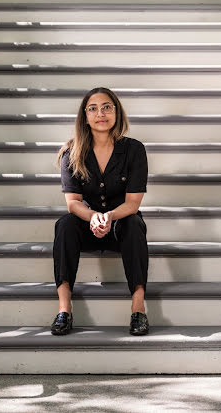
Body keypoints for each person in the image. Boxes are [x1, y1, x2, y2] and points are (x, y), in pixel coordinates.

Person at [51, 87, 149, 336]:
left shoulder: (134, 150)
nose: (100, 113)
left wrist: (110, 217)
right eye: (93, 108)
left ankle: (138, 308)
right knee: (64, 224)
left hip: (121, 225)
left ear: (116, 112)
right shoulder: (72, 152)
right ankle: (65, 309)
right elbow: (73, 202)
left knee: (135, 224)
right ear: (85, 116)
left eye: (107, 107)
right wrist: (93, 216)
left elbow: (133, 203)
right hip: (86, 224)